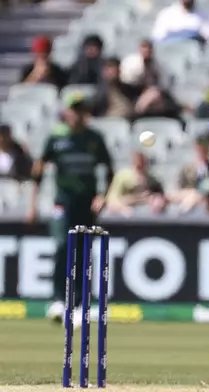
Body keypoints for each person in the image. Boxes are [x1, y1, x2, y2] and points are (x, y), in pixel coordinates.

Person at [28, 95, 114, 326]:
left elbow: (108, 169)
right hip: (62, 202)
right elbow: (38, 170)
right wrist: (33, 204)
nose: (77, 114)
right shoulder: (56, 138)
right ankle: (58, 300)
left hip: (86, 203)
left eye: (81, 110)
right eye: (74, 110)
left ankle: (78, 304)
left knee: (84, 252)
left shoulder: (94, 138)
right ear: (66, 112)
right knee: (62, 246)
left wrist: (102, 196)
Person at [105, 151, 166, 216]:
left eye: (143, 165)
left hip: (147, 215)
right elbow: (111, 200)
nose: (141, 170)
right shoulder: (122, 177)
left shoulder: (153, 180)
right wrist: (123, 208)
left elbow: (162, 197)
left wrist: (157, 202)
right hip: (124, 215)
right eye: (138, 166)